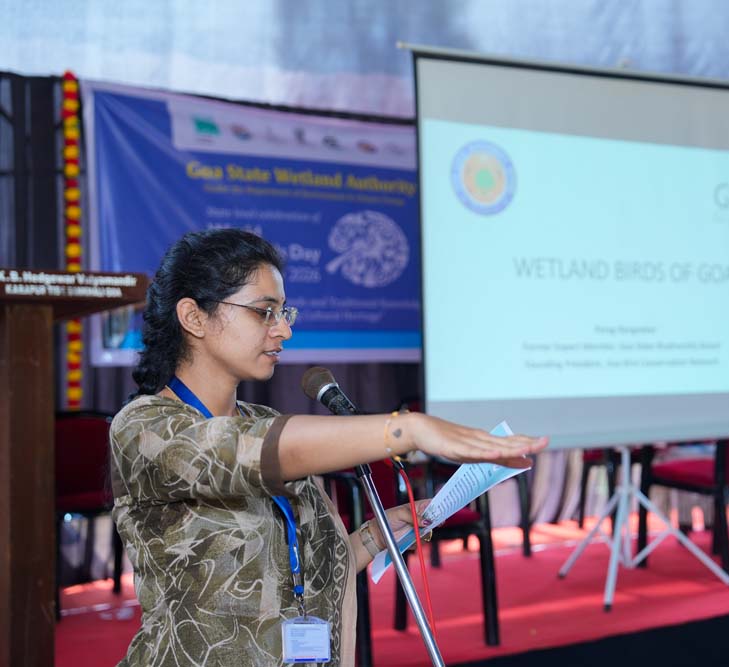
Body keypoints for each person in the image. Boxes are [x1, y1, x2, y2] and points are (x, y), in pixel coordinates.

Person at [110, 228, 547, 666]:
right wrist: (409, 430)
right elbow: (254, 451)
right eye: (264, 312)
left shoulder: (262, 420)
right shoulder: (146, 427)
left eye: (284, 312)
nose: (284, 330)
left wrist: (374, 537)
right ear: (194, 317)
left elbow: (304, 573)